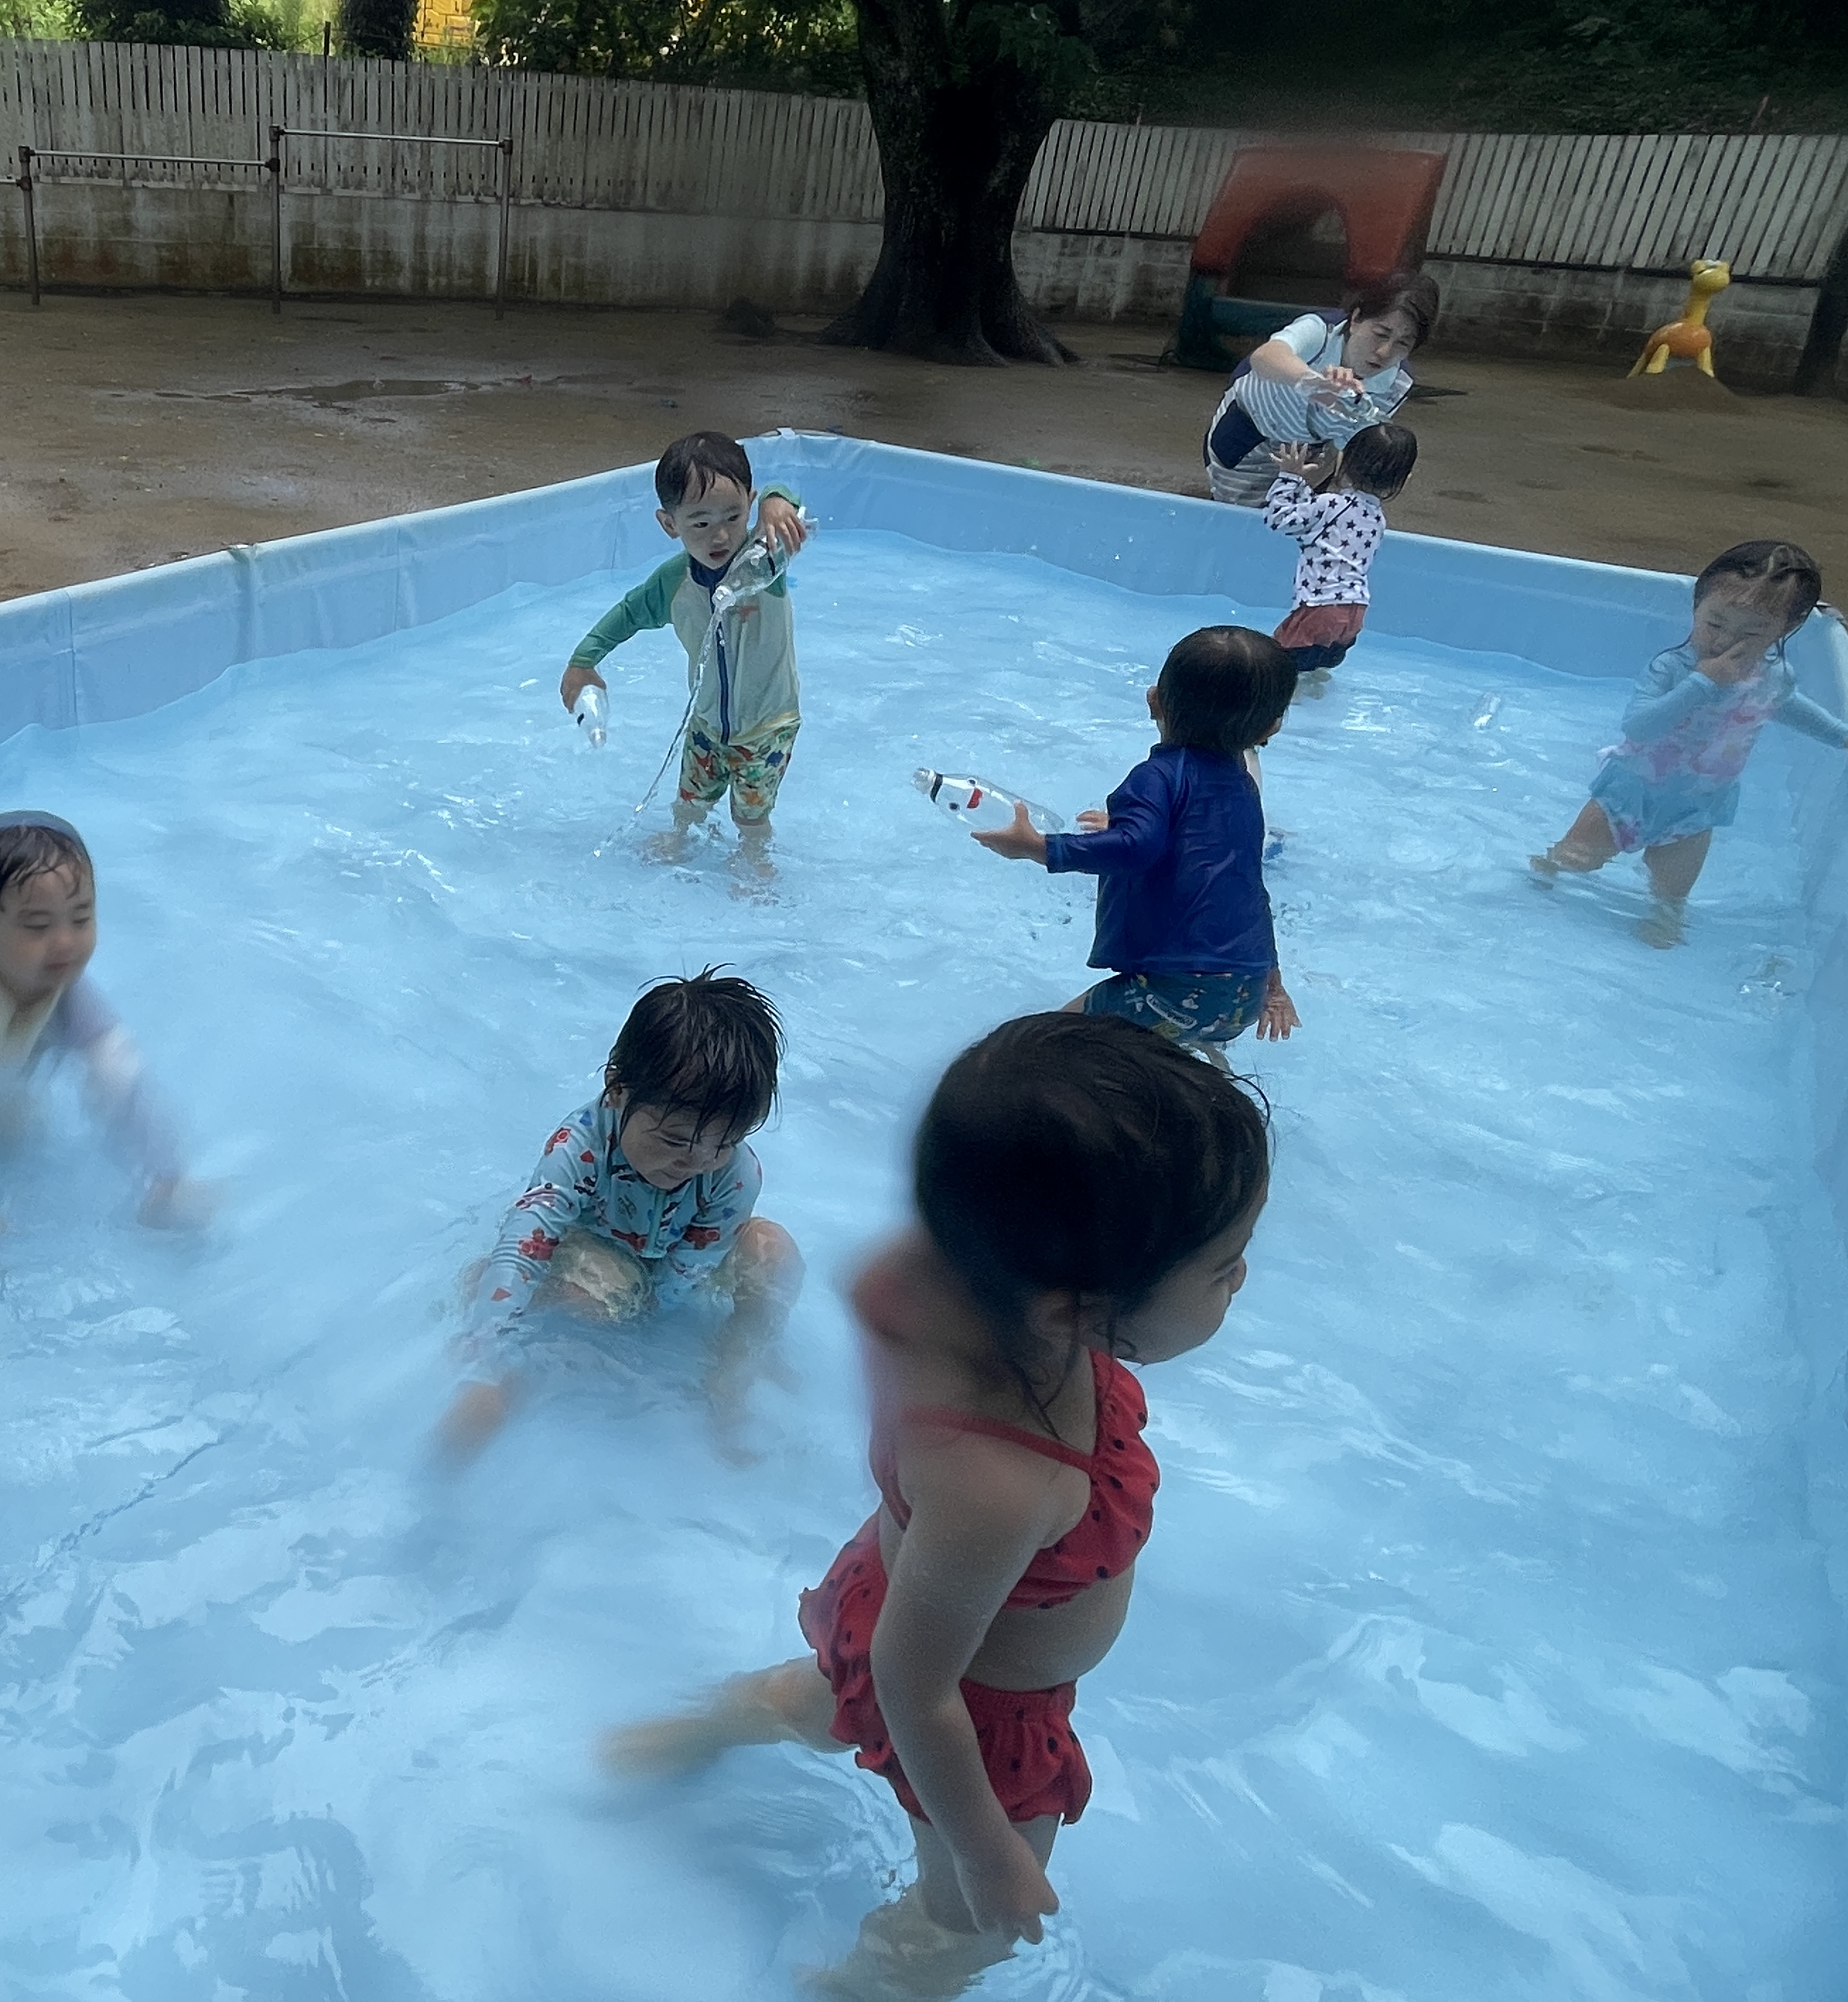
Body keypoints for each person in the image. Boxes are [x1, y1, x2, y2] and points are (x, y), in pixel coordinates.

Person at [605, 1012, 1269, 1996]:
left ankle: (684, 1734)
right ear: (1071, 1310)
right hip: (976, 1708)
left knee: (823, 1700)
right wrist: (988, 1853)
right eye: (1221, 1267)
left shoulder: (951, 1285)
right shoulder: (1001, 1482)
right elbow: (916, 1687)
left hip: (896, 1599)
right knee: (966, 1929)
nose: (1241, 1278)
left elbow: (911, 1251)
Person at [441, 971, 803, 1459]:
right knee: (586, 1298)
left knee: (774, 1254)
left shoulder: (735, 1174)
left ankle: (733, 1367)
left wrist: (653, 1307)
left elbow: (695, 1265)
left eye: (723, 1144)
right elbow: (528, 1238)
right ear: (617, 1089)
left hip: (681, 1259)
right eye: (674, 1140)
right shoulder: (579, 1146)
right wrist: (484, 1358)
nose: (696, 1162)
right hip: (598, 1244)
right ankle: (504, 1345)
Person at [1531, 541, 1848, 949]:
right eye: (1715, 624)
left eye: (1751, 633)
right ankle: (1541, 878)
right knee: (1573, 860)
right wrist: (1702, 683)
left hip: (1697, 809)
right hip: (1629, 795)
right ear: (1697, 608)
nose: (1725, 642)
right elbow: (1639, 727)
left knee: (1671, 895)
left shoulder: (1773, 676)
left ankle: (1664, 920)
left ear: (1784, 630)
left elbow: (1788, 705)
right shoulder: (1671, 669)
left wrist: (1845, 735)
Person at [975, 627, 1302, 1053]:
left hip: (1175, 989)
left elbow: (1135, 848)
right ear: (1270, 729)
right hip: (1245, 995)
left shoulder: (1157, 777)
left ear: (1154, 701)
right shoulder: (1244, 790)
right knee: (1169, 1048)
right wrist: (1273, 985)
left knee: (1044, 1048)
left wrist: (1038, 847)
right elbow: (1248, 890)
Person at [0, 809, 202, 1243]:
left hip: (7, 1110)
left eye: (81, 918)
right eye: (37, 926)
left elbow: (120, 1074)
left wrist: (164, 1175)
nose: (65, 942)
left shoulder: (67, 990)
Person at [557, 431, 808, 868]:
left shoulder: (764, 561)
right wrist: (583, 661)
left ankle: (754, 858)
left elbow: (790, 501)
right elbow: (627, 615)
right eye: (700, 523)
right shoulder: (674, 583)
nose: (721, 535)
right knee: (690, 799)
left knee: (750, 815)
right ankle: (679, 838)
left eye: (734, 516)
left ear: (750, 506)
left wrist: (776, 500)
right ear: (670, 524)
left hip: (768, 725)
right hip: (706, 723)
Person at [1202, 271, 1440, 506]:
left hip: (1308, 454)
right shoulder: (1320, 331)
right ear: (1356, 319)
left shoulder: (1397, 384)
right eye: (1381, 334)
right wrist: (1315, 384)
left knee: (1288, 516)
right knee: (1229, 512)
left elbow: (1341, 447)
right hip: (1247, 432)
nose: (1384, 352)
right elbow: (1265, 357)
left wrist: (1297, 489)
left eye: (1403, 343)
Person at [1262, 422, 1416, 696]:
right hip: (1354, 612)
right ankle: (1315, 698)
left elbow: (1278, 519)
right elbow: (1320, 521)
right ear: (1405, 479)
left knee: (1275, 667)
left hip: (1321, 608)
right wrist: (1301, 486)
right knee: (1314, 668)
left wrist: (1289, 478)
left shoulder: (1330, 506)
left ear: (1343, 460)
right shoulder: (1376, 519)